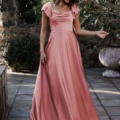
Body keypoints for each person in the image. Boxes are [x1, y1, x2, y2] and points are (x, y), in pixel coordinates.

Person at [30, 0, 109, 120]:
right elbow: (43, 30)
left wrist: (96, 32)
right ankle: (54, 114)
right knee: (55, 80)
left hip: (70, 48)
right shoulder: (47, 7)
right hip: (54, 47)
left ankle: (70, 113)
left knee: (70, 80)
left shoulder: (73, 8)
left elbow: (78, 30)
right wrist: (41, 51)